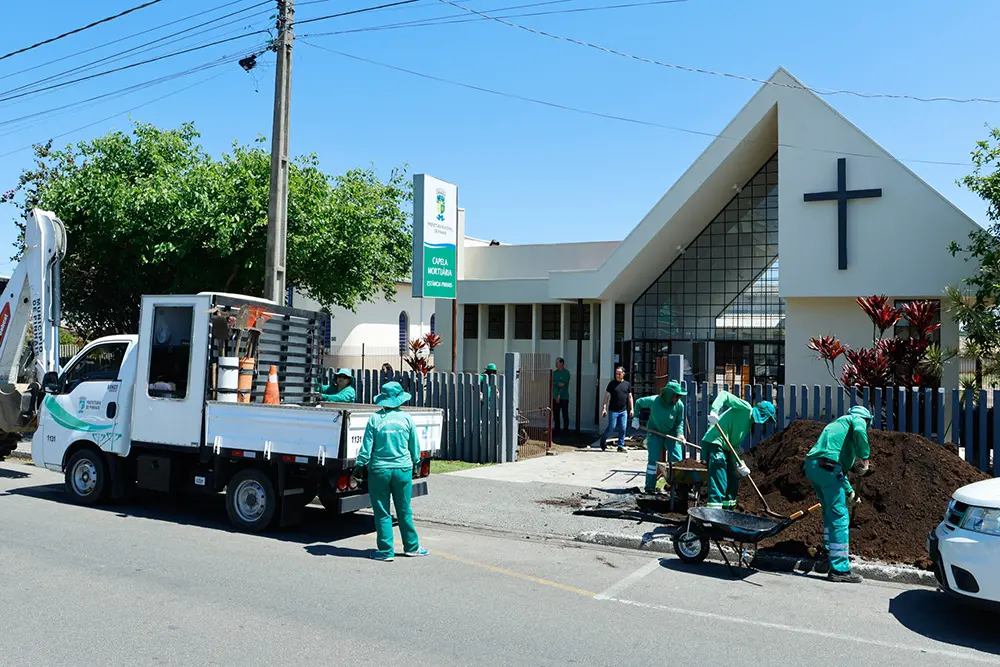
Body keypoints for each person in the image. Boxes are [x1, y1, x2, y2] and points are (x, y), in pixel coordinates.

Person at [353, 381, 429, 562]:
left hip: (379, 470)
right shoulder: (407, 418)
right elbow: (414, 447)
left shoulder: (375, 418)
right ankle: (411, 546)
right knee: (404, 510)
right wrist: (416, 462)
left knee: (382, 511)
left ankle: (386, 551)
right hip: (403, 469)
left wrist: (359, 466)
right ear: (400, 400)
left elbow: (366, 448)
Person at [804, 405, 872, 584]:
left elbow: (837, 467)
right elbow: (859, 430)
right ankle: (840, 569)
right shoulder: (857, 420)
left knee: (829, 512)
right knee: (840, 517)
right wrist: (864, 457)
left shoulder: (837, 425)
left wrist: (849, 492)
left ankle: (828, 554)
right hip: (829, 469)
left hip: (814, 466)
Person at [702, 391, 776, 510]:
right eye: (767, 419)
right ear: (763, 415)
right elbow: (724, 395)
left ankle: (728, 511)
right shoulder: (745, 408)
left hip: (726, 448)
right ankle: (714, 512)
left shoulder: (748, 425)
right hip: (714, 442)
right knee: (719, 477)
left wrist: (739, 463)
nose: (766, 422)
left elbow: (733, 446)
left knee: (733, 479)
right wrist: (714, 411)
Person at [631, 381, 686, 493]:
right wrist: (635, 417)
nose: (678, 398)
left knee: (677, 459)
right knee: (653, 460)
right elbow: (638, 402)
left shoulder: (679, 406)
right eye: (677, 396)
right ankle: (650, 488)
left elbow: (679, 422)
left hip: (671, 433)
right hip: (654, 431)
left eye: (680, 396)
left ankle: (676, 488)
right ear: (669, 394)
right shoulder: (654, 401)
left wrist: (680, 434)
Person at [593, 365, 633, 452]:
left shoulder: (627, 384)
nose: (617, 375)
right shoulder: (612, 384)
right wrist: (604, 407)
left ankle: (620, 446)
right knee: (612, 427)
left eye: (619, 373)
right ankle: (603, 439)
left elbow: (630, 397)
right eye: (616, 373)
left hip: (623, 410)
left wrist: (632, 409)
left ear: (623, 374)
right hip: (613, 410)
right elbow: (606, 396)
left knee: (623, 428)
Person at [552, 358, 570, 436]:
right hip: (554, 396)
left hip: (564, 397)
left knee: (564, 414)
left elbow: (563, 384)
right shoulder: (554, 373)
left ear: (562, 364)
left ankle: (566, 430)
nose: (556, 364)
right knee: (556, 414)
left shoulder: (566, 373)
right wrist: (557, 383)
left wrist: (559, 395)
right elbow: (553, 382)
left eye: (557, 363)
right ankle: (557, 430)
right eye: (556, 363)